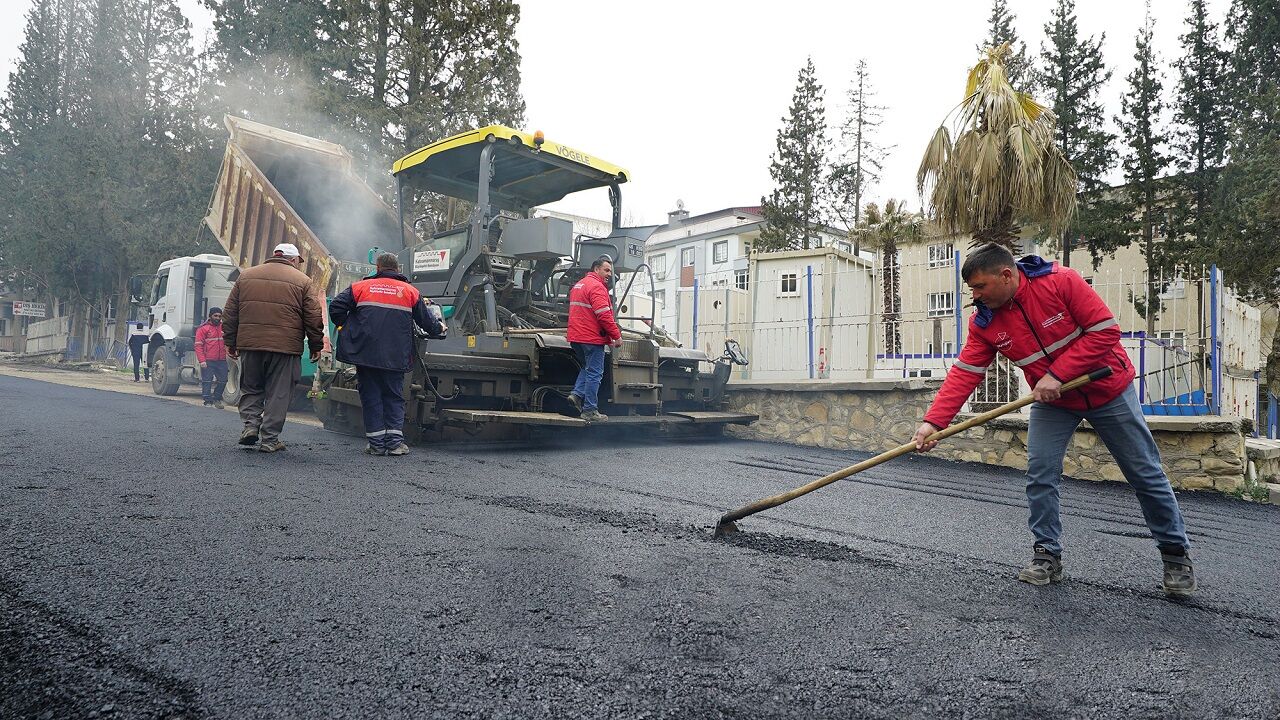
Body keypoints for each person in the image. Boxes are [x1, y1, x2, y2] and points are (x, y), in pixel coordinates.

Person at [911, 243, 1196, 596]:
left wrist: (1057, 374)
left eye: (980, 286)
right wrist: (934, 423)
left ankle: (1175, 556)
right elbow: (966, 372)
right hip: (1054, 402)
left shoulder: (1062, 282)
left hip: (1107, 389)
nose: (976, 295)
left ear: (1006, 275)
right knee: (1040, 473)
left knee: (1145, 473)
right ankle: (1047, 554)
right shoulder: (984, 321)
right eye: (972, 288)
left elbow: (1105, 331)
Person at [329, 253, 445, 456]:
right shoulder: (410, 291)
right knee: (393, 396)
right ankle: (394, 444)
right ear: (397, 269)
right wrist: (439, 328)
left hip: (365, 354)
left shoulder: (360, 287)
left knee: (371, 396)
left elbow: (336, 307)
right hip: (395, 355)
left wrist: (346, 327)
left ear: (378, 267)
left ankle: (376, 444)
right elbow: (426, 321)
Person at [222, 243, 325, 453]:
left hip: (251, 345)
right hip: (285, 349)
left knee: (251, 387)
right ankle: (269, 439)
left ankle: (250, 426)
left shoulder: (246, 276)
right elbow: (313, 317)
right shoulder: (303, 281)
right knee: (279, 393)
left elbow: (230, 312)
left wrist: (230, 342)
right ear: (293, 259)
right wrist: (316, 345)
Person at [566, 255, 622, 423]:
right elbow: (603, 315)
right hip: (591, 338)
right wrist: (616, 336)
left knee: (587, 367)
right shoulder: (597, 287)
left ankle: (576, 395)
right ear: (596, 269)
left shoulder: (579, 285)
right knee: (595, 373)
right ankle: (590, 410)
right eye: (606, 270)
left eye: (610, 271)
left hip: (576, 337)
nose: (609, 274)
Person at [194, 307, 228, 408]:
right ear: (210, 316)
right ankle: (207, 401)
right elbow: (198, 345)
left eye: (219, 316)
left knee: (223, 380)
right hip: (208, 360)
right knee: (207, 381)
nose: (218, 318)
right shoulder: (203, 329)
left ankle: (217, 399)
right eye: (215, 316)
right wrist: (202, 361)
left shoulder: (224, 328)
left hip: (221, 360)